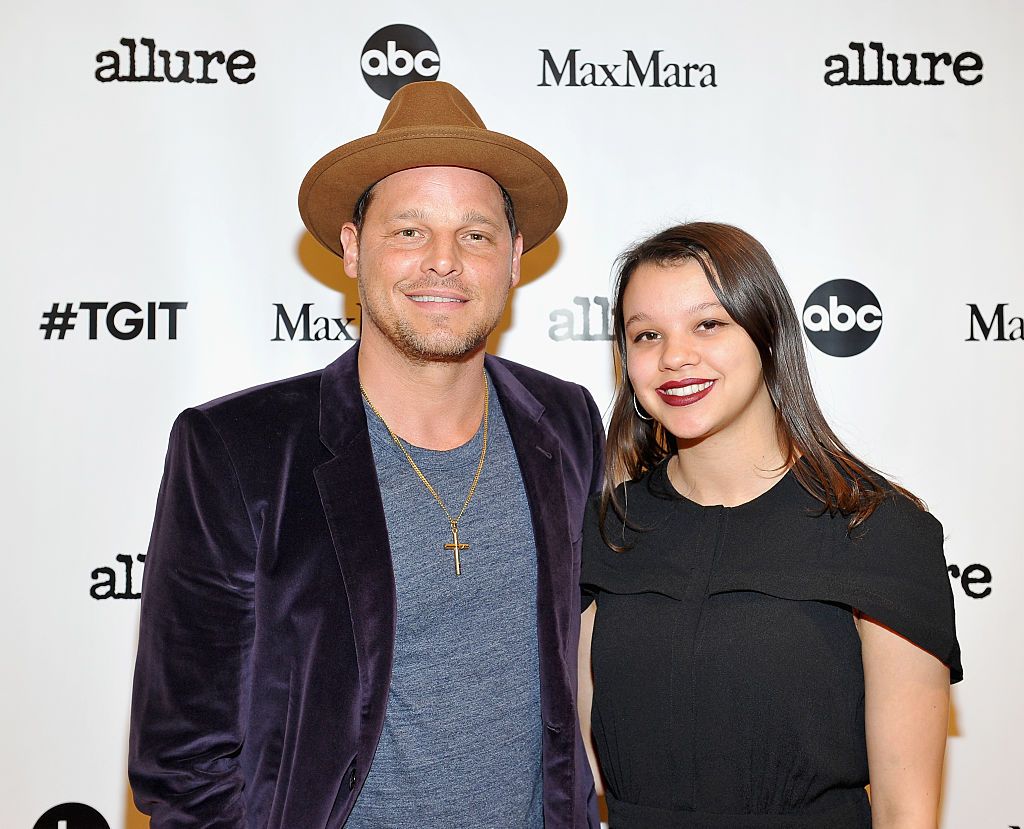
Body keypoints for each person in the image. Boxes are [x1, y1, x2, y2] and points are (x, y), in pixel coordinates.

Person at [129, 80, 603, 828]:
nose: (442, 261)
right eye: (408, 231)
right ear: (352, 248)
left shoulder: (567, 421)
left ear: (514, 258)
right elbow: (184, 759)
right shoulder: (237, 450)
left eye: (475, 234)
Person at [578, 222, 961, 828]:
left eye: (708, 323)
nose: (675, 355)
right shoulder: (605, 529)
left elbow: (905, 811)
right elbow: (580, 774)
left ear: (768, 333)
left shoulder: (878, 530)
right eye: (647, 334)